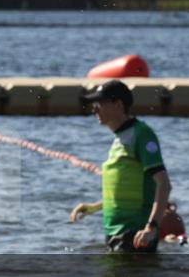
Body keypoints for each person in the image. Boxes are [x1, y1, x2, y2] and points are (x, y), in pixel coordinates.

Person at [70, 80, 172, 253]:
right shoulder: (120, 138)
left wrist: (151, 227)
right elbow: (126, 190)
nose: (94, 109)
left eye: (100, 103)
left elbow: (164, 184)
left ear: (118, 105)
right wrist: (95, 207)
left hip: (135, 233)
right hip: (115, 231)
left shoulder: (142, 134)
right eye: (94, 104)